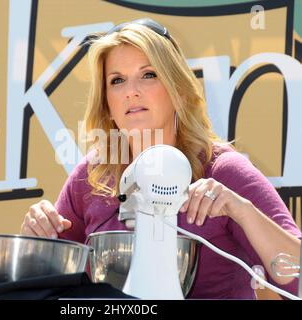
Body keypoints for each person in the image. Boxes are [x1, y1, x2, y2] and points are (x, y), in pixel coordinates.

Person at [20, 18, 301, 299]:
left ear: (178, 91)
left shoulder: (223, 171)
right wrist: (38, 239)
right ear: (107, 104)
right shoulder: (91, 176)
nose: (131, 91)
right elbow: (52, 283)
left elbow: (297, 279)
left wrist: (242, 211)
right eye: (117, 80)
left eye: (148, 74)